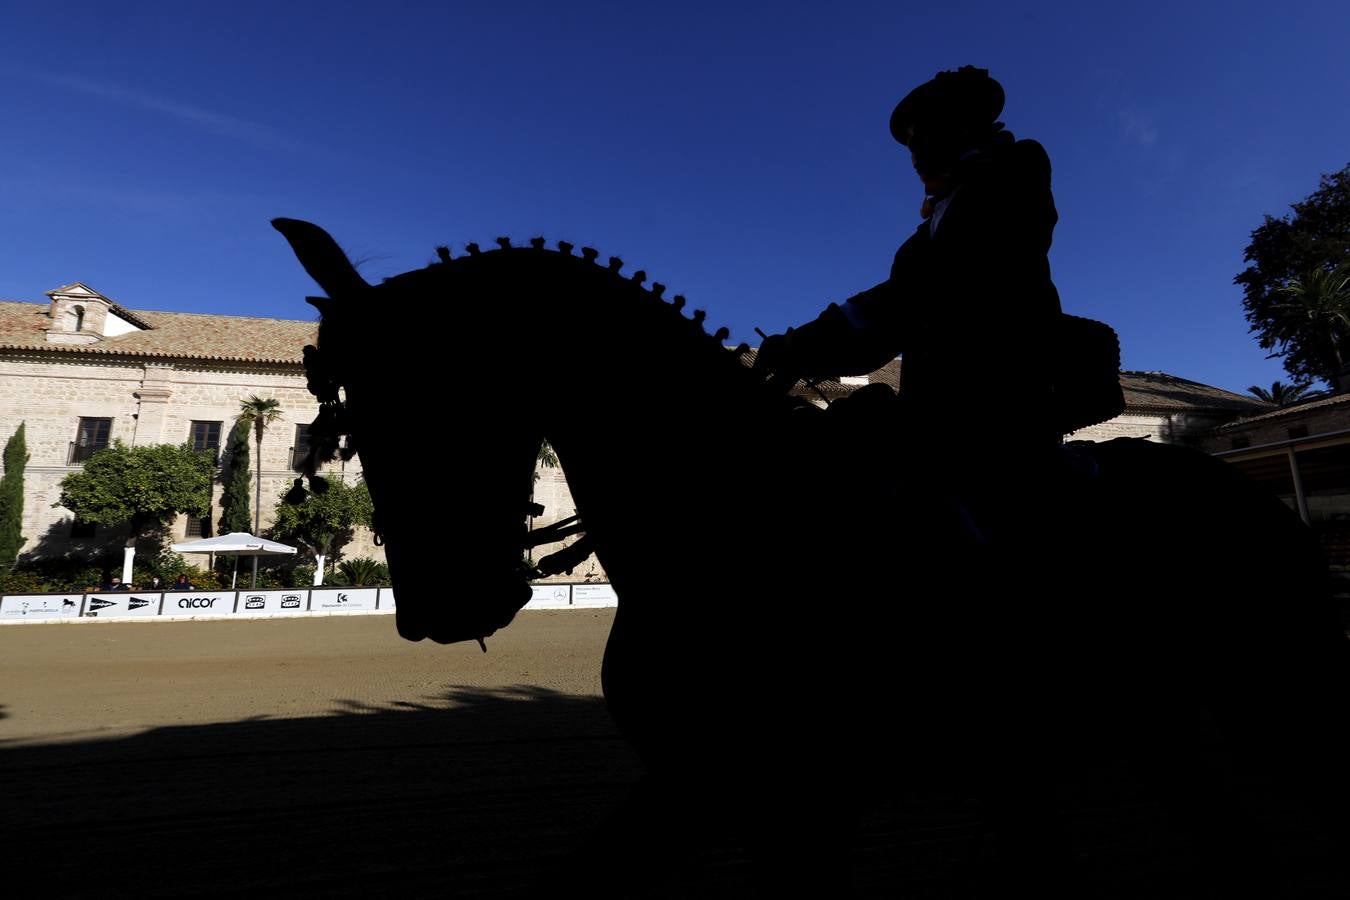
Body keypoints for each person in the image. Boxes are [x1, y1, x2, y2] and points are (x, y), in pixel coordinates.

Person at [754, 65, 1067, 535]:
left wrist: (807, 343)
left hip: (997, 393)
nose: (915, 154)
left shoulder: (1014, 169)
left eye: (925, 136)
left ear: (964, 125)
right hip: (934, 399)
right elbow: (896, 308)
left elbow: (920, 294)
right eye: (910, 144)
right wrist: (808, 346)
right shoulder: (928, 228)